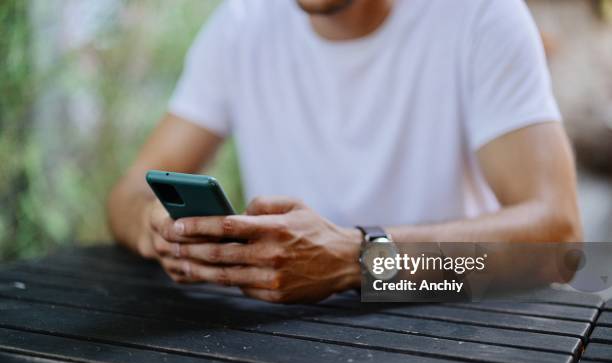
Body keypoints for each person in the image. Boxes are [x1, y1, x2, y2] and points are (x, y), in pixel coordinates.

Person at [107, 0, 582, 303]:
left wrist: (356, 259)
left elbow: (559, 244)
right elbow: (127, 196)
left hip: (453, 329)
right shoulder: (241, 25)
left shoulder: (481, 17)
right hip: (280, 346)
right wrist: (157, 232)